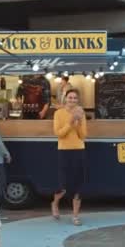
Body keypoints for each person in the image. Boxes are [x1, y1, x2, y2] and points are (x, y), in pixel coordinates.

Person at [51, 89, 87, 226]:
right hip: (64, 151)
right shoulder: (58, 113)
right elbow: (59, 134)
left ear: (77, 100)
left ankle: (75, 216)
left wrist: (77, 124)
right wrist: (70, 122)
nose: (72, 100)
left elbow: (83, 136)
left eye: (75, 98)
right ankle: (54, 203)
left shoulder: (81, 114)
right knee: (63, 186)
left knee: (78, 185)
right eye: (70, 97)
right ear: (65, 99)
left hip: (79, 150)